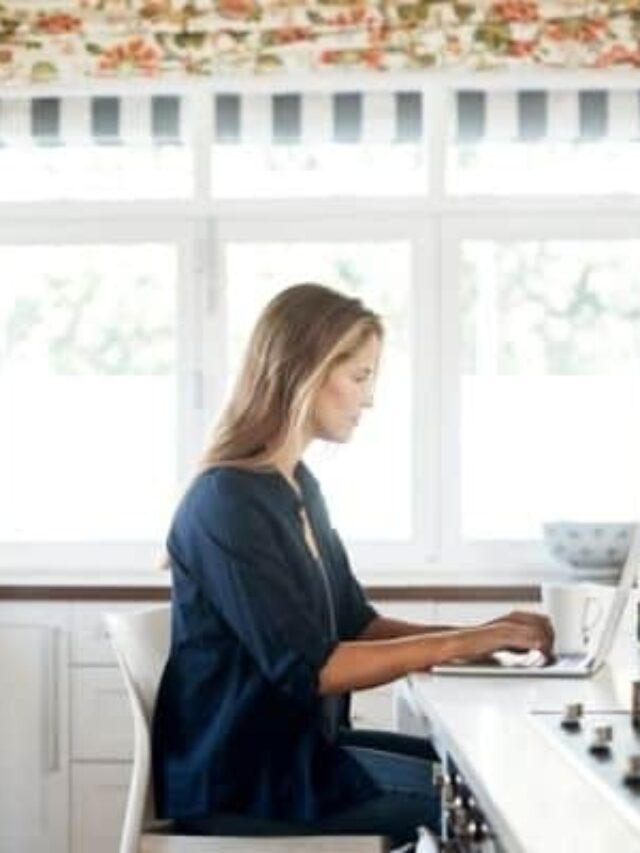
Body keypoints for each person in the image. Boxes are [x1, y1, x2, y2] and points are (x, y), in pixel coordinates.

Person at [151, 283, 553, 849]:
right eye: (360, 377)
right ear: (304, 372)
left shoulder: (297, 489)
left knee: (484, 778)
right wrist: (463, 644)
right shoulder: (229, 501)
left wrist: (482, 638)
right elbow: (314, 669)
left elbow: (356, 624)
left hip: (302, 759)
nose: (369, 399)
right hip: (248, 781)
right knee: (485, 804)